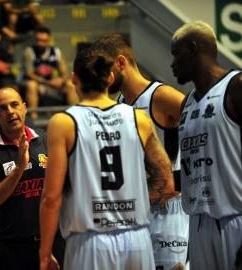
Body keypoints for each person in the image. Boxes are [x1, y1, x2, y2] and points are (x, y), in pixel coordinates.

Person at [39, 47, 177, 270]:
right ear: (111, 77)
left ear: (74, 79)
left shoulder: (63, 122)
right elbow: (166, 181)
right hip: (137, 239)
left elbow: (51, 197)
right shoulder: (139, 119)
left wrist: (45, 253)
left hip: (90, 241)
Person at [91, 33, 188, 269]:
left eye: (103, 67)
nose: (100, 75)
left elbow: (205, 130)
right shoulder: (120, 104)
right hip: (137, 211)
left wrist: (178, 180)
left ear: (121, 63)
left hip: (169, 212)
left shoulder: (161, 96)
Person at [171, 21, 242, 270]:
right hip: (198, 222)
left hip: (234, 219)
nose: (172, 64)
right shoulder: (186, 104)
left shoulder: (236, 87)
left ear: (192, 49)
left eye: (175, 54)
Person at [0, 87, 63, 270]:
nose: (10, 112)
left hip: (55, 241)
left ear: (24, 107)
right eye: (2, 108)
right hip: (13, 250)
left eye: (14, 105)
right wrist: (19, 168)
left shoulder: (47, 140)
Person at [22, 26, 78, 119]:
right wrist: (47, 83)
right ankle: (33, 117)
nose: (40, 43)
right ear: (34, 40)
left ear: (49, 40)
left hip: (50, 84)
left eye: (44, 40)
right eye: (38, 40)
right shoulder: (29, 52)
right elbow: (29, 74)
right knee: (31, 85)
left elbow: (65, 72)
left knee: (70, 85)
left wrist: (61, 80)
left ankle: (75, 117)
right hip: (37, 84)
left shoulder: (56, 52)